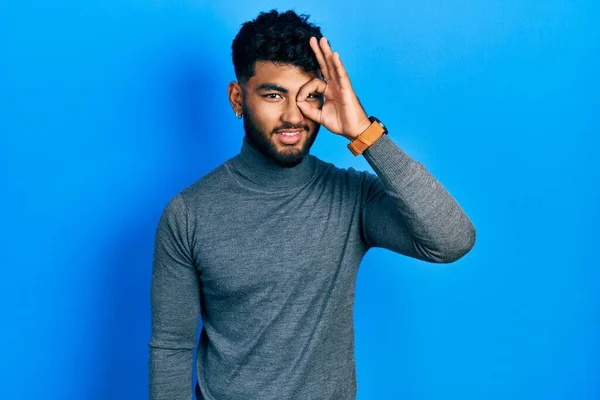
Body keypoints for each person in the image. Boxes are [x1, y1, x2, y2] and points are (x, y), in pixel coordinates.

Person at [148, 9, 476, 400]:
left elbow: (453, 240)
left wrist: (365, 134)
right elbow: (171, 347)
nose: (292, 116)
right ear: (238, 98)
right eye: (273, 95)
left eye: (309, 96)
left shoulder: (352, 197)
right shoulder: (188, 214)